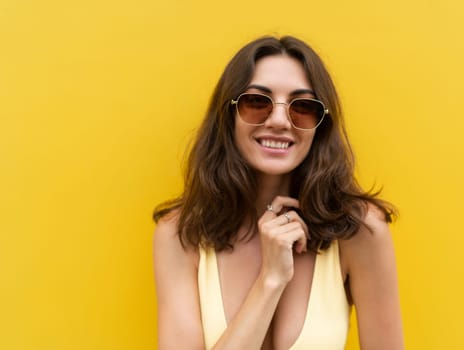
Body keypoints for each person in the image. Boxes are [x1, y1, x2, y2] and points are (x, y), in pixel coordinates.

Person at [153, 35, 404, 350]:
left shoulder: (360, 231)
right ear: (228, 114)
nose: (279, 120)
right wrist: (270, 281)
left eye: (302, 107)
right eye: (257, 102)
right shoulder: (180, 235)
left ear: (320, 125)